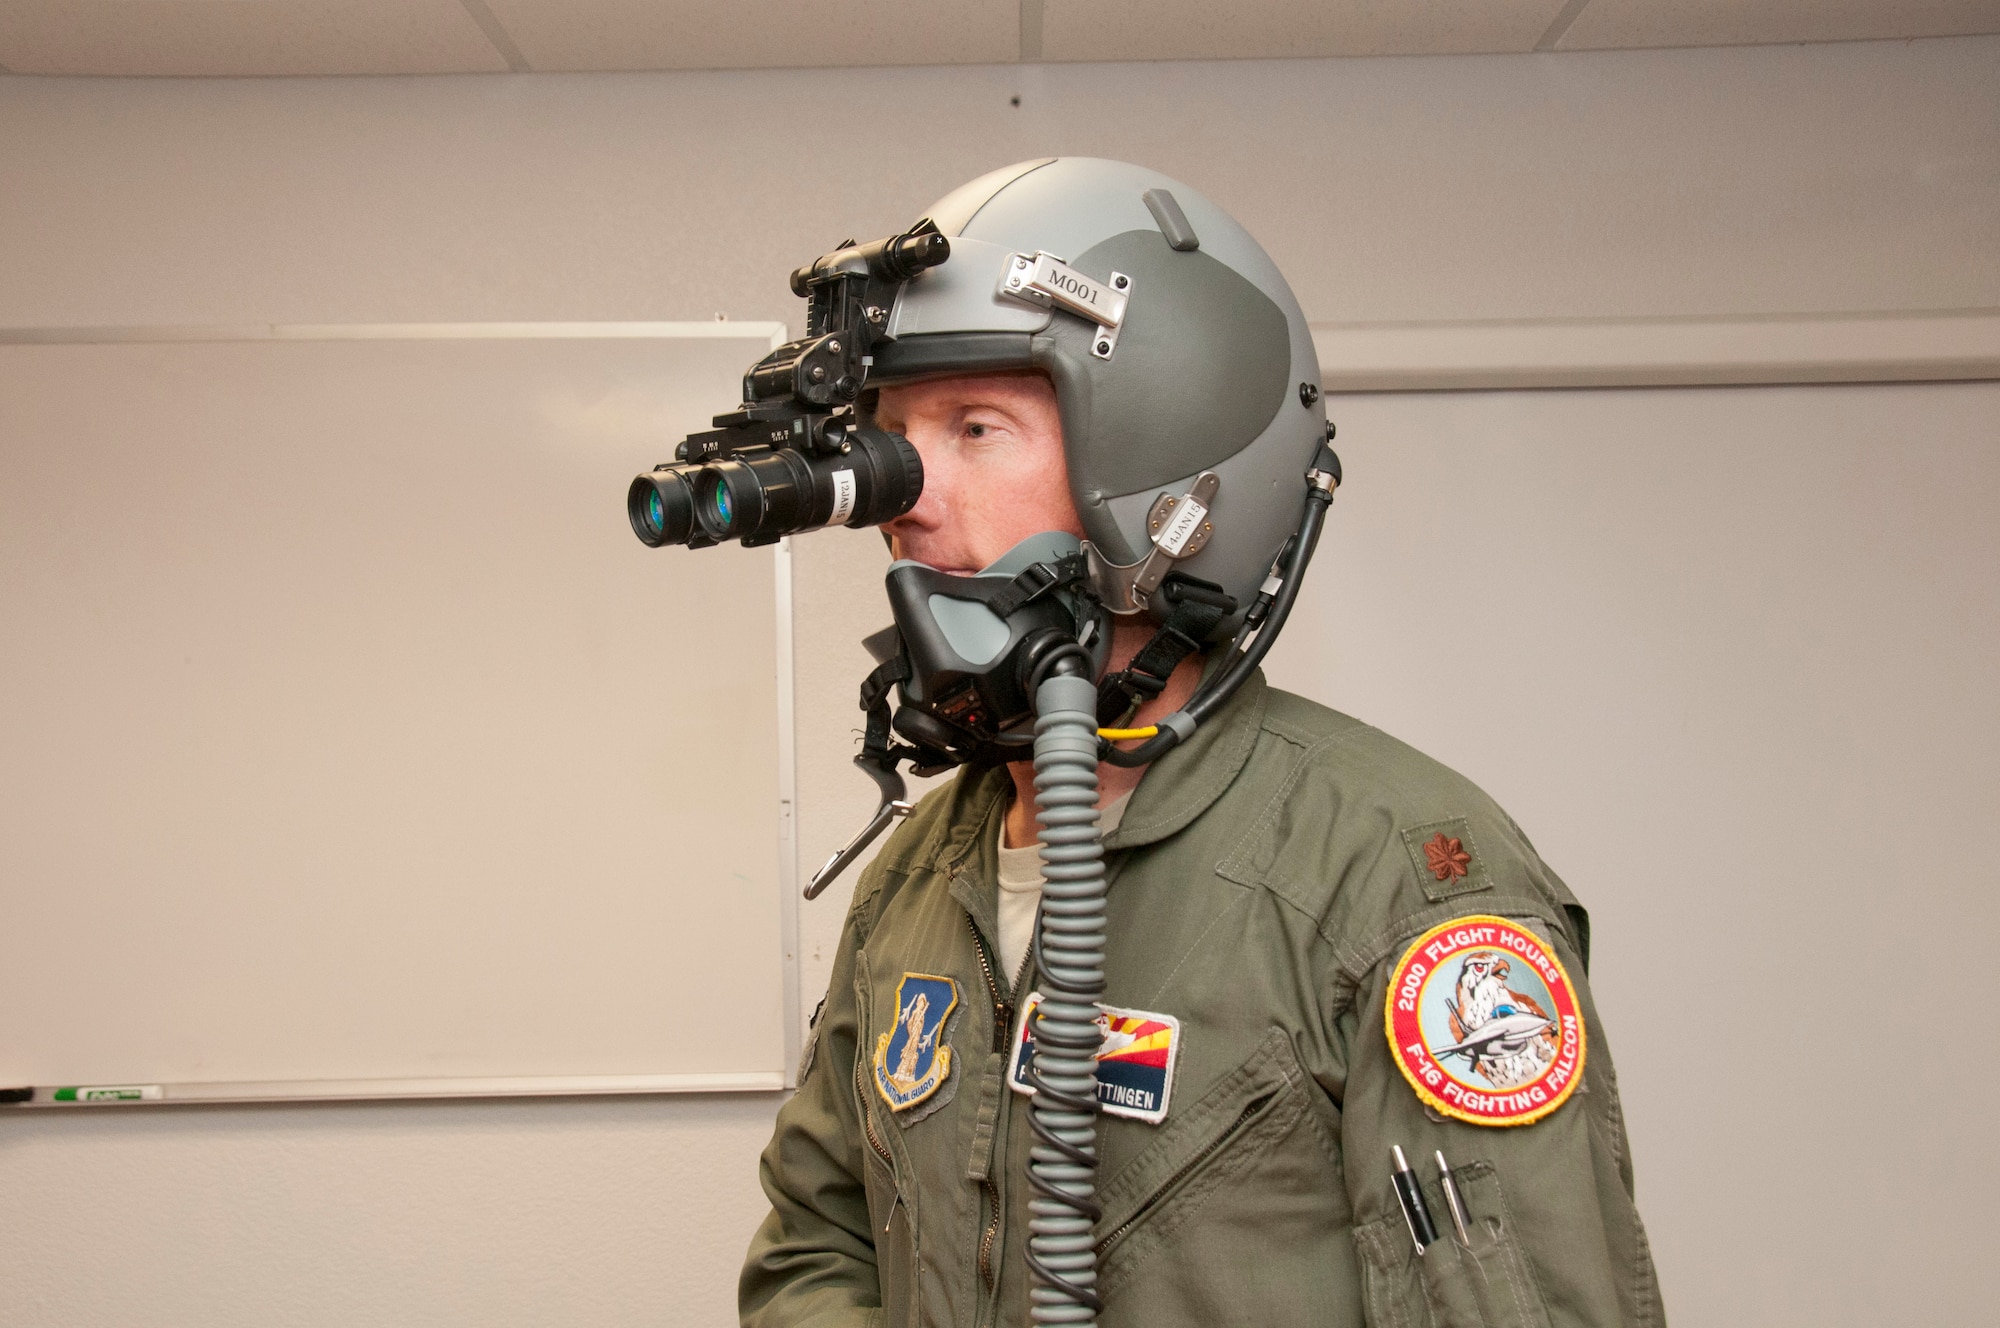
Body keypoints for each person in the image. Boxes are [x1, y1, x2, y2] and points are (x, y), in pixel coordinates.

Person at [739, 159, 1662, 1327]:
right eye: (894, 434)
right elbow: (814, 1246)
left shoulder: (1392, 882)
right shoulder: (919, 876)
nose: (903, 494)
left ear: (1170, 477)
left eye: (974, 428)